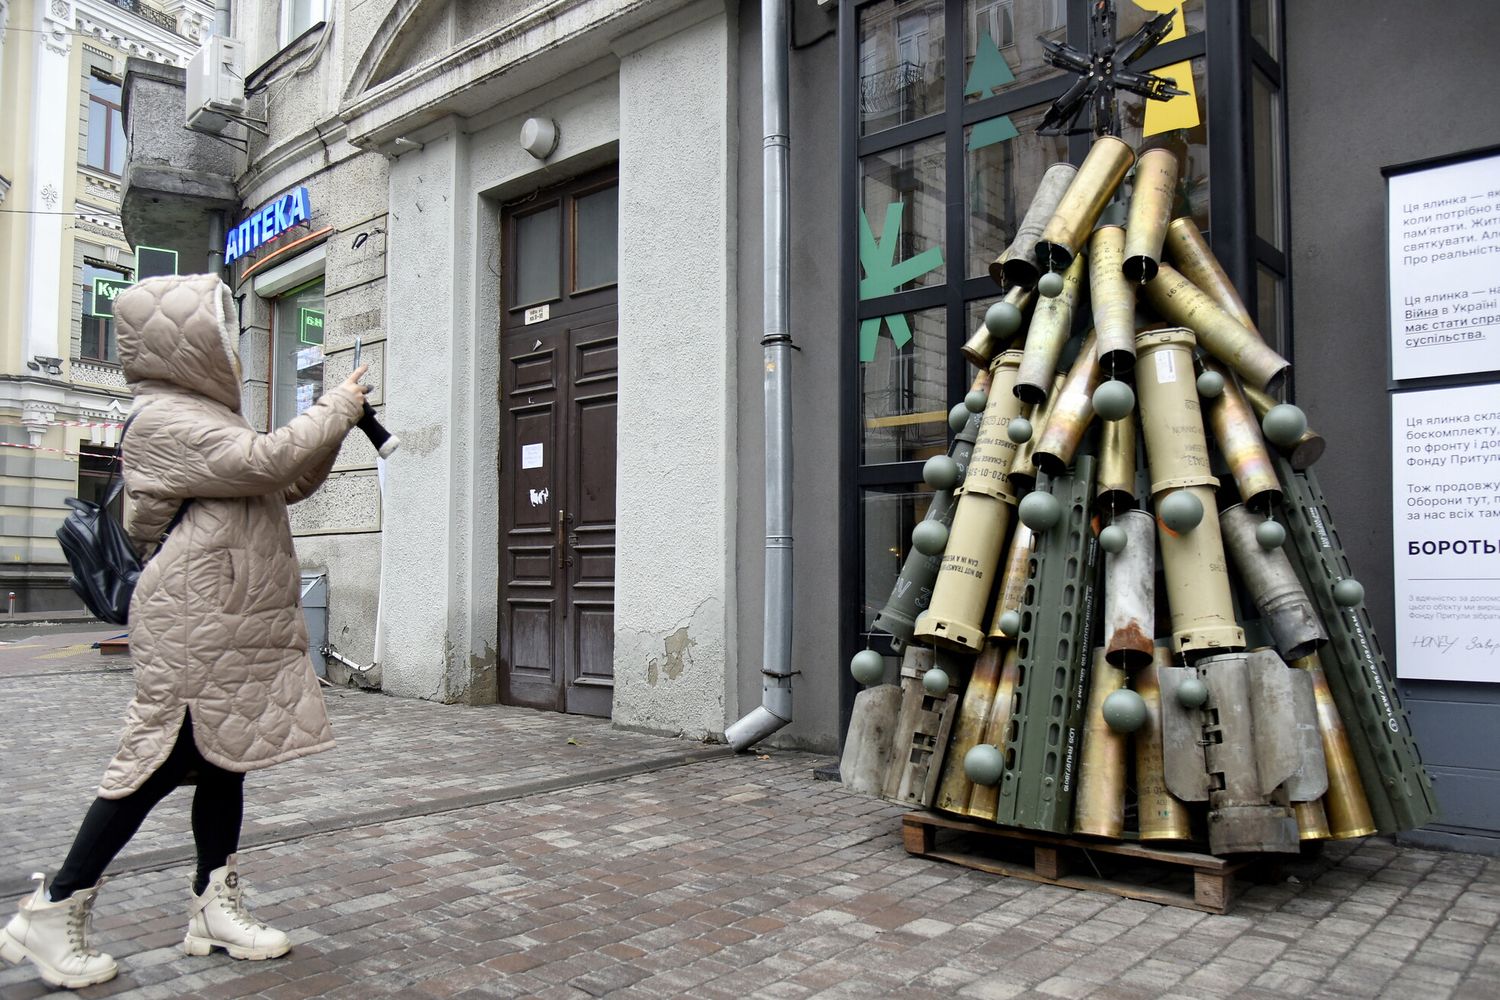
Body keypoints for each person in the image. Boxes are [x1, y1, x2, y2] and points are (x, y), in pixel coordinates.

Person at [0, 274, 371, 989]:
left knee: (223, 756)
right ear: (186, 342)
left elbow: (285, 481)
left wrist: (338, 424)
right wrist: (335, 405)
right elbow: (266, 461)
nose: (229, 349)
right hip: (193, 621)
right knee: (158, 760)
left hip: (226, 620)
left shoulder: (206, 417)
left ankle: (213, 907)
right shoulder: (165, 420)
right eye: (219, 333)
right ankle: (50, 911)